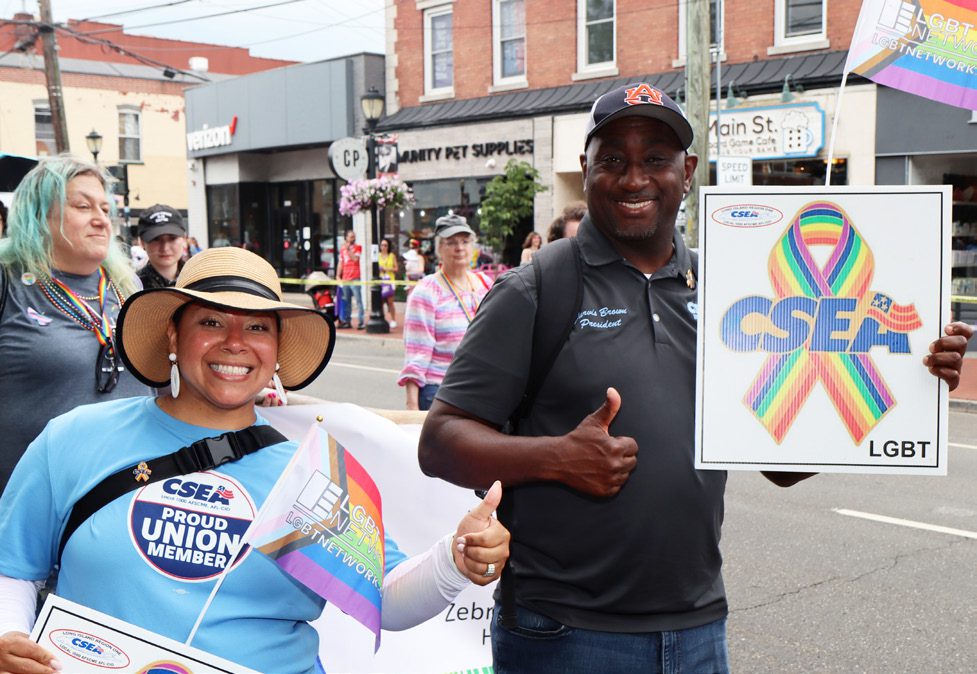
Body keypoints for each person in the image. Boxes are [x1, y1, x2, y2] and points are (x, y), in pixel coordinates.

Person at [416, 83, 974, 673]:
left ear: (686, 172)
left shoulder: (731, 289)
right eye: (613, 159)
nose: (634, 178)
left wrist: (906, 378)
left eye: (656, 158)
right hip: (563, 632)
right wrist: (557, 458)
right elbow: (440, 441)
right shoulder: (537, 288)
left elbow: (781, 466)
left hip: (697, 629)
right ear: (586, 169)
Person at [0, 246, 510, 674]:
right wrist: (8, 638)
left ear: (277, 349)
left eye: (258, 328)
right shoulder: (75, 438)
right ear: (174, 335)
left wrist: (457, 557)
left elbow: (387, 597)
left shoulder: (308, 472)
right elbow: (13, 569)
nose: (235, 343)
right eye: (211, 321)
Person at [0, 155, 148, 495]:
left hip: (125, 496)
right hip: (33, 502)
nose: (101, 220)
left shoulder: (128, 286)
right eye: (83, 206)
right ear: (38, 214)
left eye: (105, 209)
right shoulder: (8, 282)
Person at [399, 215, 491, 411]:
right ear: (439, 248)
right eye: (451, 242)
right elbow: (416, 353)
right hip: (442, 392)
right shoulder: (426, 291)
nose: (459, 248)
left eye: (465, 241)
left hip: (481, 389)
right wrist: (412, 408)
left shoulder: (484, 284)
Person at [137, 203, 188, 289]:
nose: (165, 248)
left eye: (172, 238)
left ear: (184, 238)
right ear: (142, 242)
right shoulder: (131, 287)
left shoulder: (200, 281)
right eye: (156, 239)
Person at [338, 229, 364, 329]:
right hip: (345, 278)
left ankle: (361, 322)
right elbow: (341, 263)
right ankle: (347, 321)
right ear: (346, 238)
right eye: (351, 237)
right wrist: (338, 275)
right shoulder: (342, 249)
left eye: (354, 236)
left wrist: (349, 249)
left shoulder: (358, 247)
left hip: (355, 277)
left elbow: (355, 259)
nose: (353, 238)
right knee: (346, 301)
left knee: (358, 300)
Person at [379, 237, 399, 328]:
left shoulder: (391, 256)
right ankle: (382, 318)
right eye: (382, 245)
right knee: (381, 301)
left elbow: (396, 268)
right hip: (381, 280)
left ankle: (393, 319)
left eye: (385, 245)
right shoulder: (378, 256)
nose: (383, 247)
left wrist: (387, 269)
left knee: (390, 301)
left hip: (390, 280)